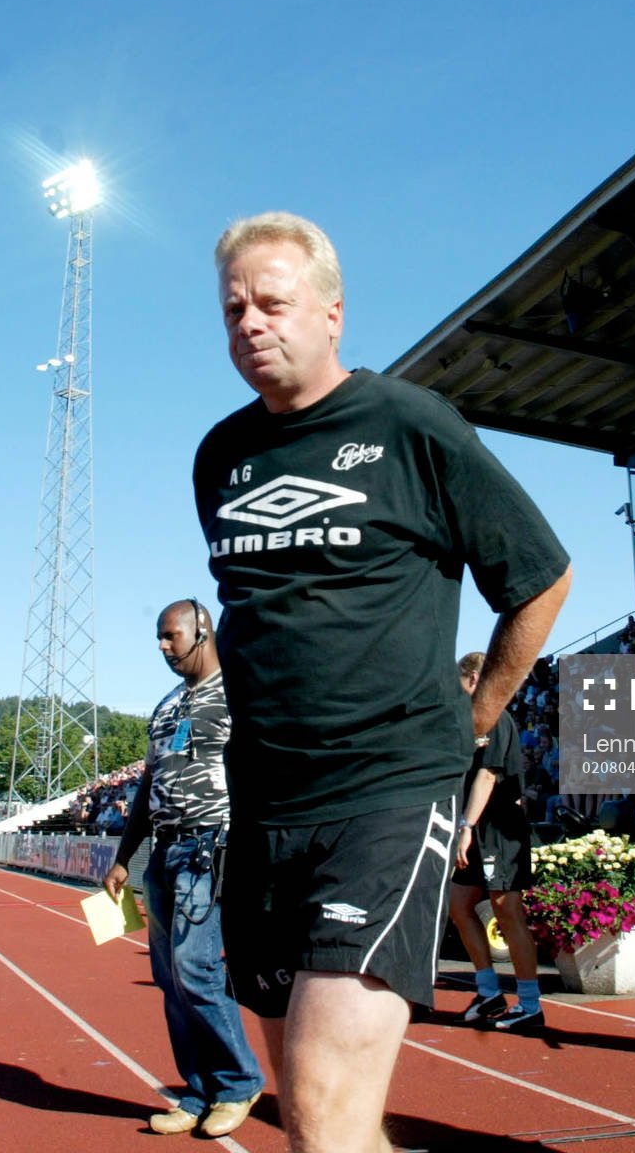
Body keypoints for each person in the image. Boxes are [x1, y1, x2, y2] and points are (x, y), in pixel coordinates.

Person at [196, 212, 571, 1153]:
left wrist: (471, 722)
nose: (250, 322)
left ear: (331, 312)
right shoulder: (219, 458)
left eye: (272, 302)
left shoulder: (409, 424)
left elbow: (539, 575)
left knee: (322, 1109)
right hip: (265, 805)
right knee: (314, 1115)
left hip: (388, 792)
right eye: (233, 306)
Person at [103, 600, 264, 1138]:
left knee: (197, 970)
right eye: (158, 637)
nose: (163, 647)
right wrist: (124, 857)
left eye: (171, 636)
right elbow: (149, 787)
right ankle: (197, 1092)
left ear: (203, 632)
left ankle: (239, 1082)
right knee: (170, 980)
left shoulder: (240, 693)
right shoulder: (167, 705)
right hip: (164, 853)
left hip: (210, 847)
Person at [447, 651, 543, 1033]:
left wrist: (466, 825)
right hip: (474, 828)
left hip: (499, 831)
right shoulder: (467, 724)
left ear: (473, 680)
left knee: (507, 911)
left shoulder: (498, 719)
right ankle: (489, 991)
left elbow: (488, 777)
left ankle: (531, 1004)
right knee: (459, 904)